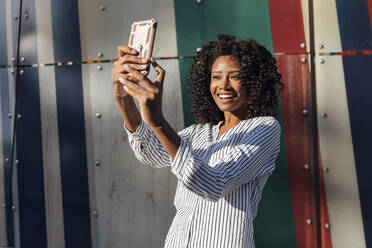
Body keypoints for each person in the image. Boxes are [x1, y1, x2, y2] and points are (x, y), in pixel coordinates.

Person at [111, 34, 282, 248]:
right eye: (216, 76)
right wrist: (123, 98)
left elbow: (214, 183)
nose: (223, 85)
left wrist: (159, 123)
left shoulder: (265, 128)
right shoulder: (198, 133)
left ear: (256, 82)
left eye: (235, 76)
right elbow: (151, 153)